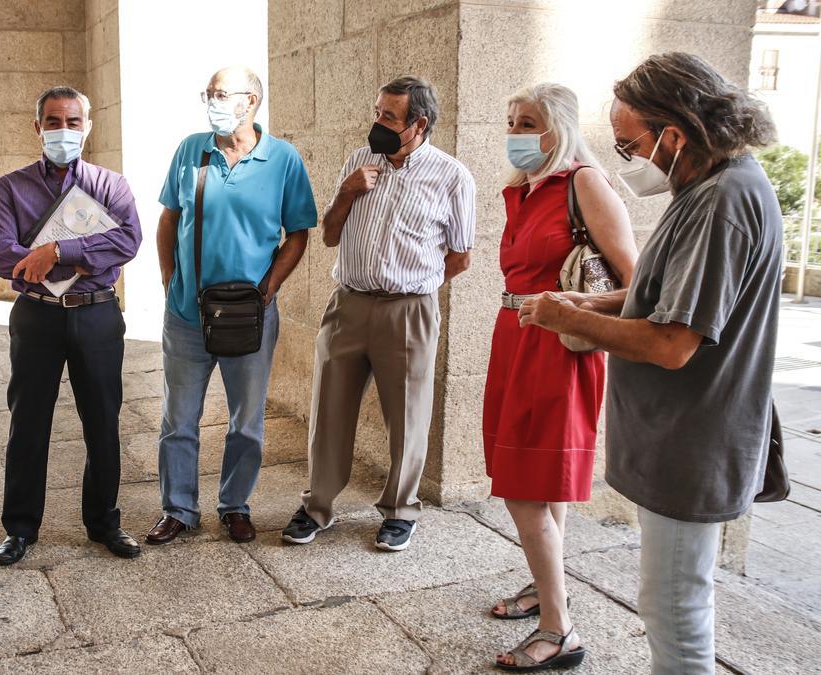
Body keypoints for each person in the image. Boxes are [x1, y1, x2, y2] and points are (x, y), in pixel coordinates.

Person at [518, 53, 781, 674]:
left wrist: (572, 320)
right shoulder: (710, 188)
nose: (625, 157)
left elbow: (673, 341)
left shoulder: (724, 199)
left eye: (627, 142)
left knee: (673, 610)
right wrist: (597, 298)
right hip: (678, 439)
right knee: (671, 602)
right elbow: (672, 296)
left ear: (674, 133)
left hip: (693, 442)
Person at [280, 76, 474, 553]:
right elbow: (328, 235)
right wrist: (346, 192)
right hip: (347, 304)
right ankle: (318, 505)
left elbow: (461, 255)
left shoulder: (452, 177)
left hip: (407, 311)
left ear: (419, 124)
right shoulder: (358, 162)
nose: (378, 123)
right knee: (329, 410)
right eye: (378, 111)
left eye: (389, 116)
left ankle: (400, 510)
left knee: (407, 415)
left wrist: (414, 286)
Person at [483, 83, 637, 672]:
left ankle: (559, 630)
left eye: (526, 123)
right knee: (537, 482)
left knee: (524, 483)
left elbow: (638, 285)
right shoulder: (523, 190)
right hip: (513, 338)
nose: (514, 133)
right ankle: (546, 589)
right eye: (511, 120)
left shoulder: (584, 182)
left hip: (557, 348)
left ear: (557, 130)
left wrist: (571, 307)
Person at [146, 65, 317, 545]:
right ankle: (178, 508)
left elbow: (298, 233)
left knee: (247, 420)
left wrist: (270, 287)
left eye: (222, 94)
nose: (212, 101)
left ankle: (235, 505)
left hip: (251, 314)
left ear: (252, 101)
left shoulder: (283, 159)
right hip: (186, 314)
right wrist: (168, 277)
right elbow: (168, 219)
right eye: (209, 93)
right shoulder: (191, 150)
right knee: (178, 418)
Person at [0, 86, 143, 565]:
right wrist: (67, 258)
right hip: (36, 317)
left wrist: (57, 252)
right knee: (28, 422)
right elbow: (1, 256)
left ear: (87, 127)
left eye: (72, 122)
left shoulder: (110, 186)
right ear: (38, 127)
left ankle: (104, 523)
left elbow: (128, 241)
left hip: (96, 313)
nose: (63, 130)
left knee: (102, 421)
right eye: (53, 121)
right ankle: (19, 528)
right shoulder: (11, 188)